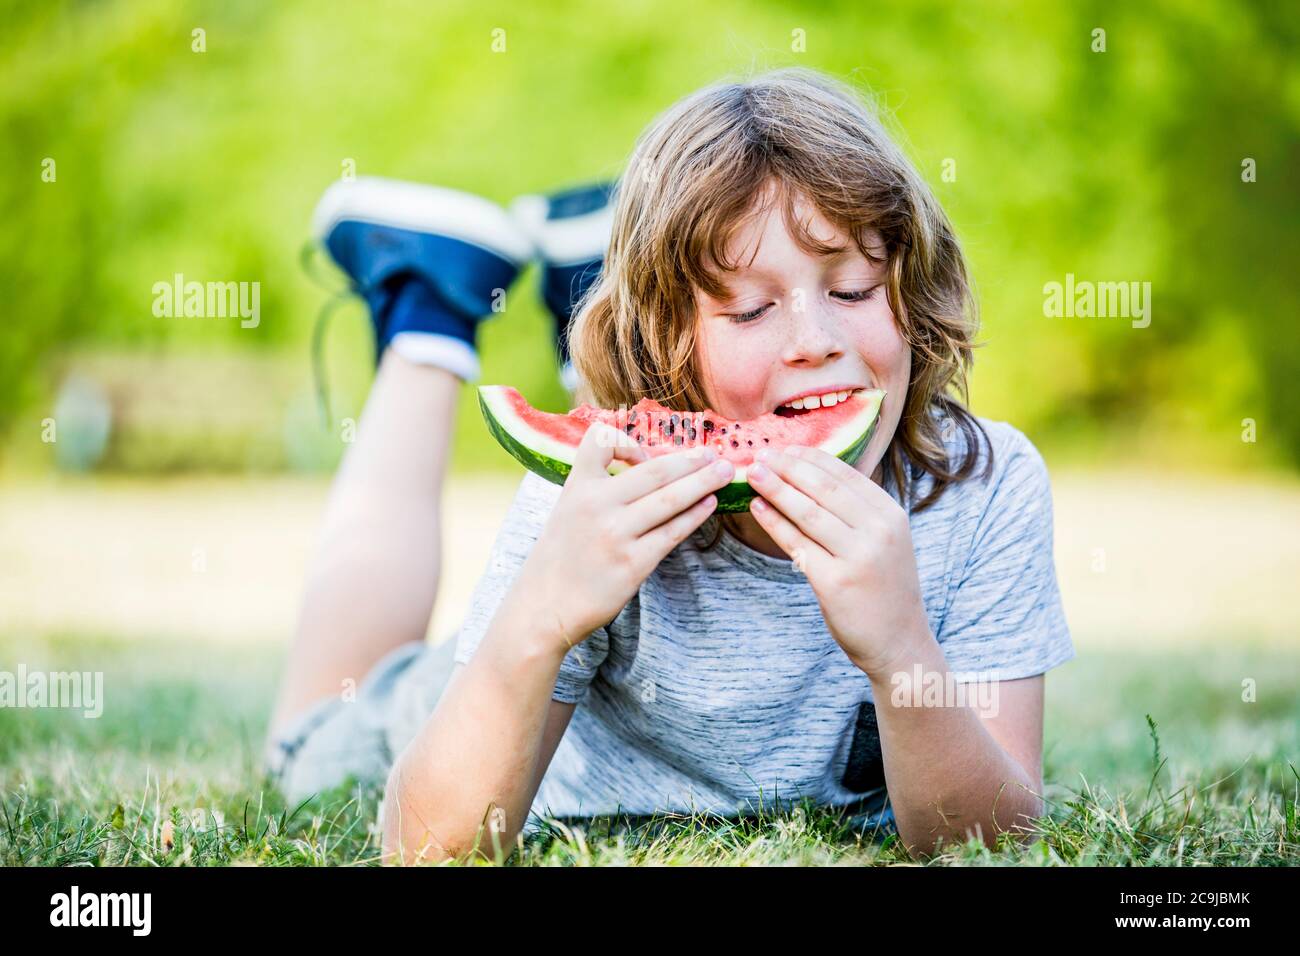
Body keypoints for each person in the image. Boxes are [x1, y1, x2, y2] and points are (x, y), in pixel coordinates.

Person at [264, 66, 1075, 864]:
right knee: (308, 745)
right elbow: (428, 847)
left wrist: (902, 652)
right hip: (466, 701)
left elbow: (993, 842)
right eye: (752, 308)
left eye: (856, 290)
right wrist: (544, 614)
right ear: (667, 348)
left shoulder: (984, 486)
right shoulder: (592, 495)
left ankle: (587, 271)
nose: (815, 340)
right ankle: (428, 306)